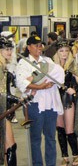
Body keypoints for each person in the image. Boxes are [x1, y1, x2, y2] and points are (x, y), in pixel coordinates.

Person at [16, 35, 65, 166]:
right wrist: (40, 86)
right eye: (36, 45)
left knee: (51, 138)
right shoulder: (23, 63)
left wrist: (37, 79)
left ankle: (51, 164)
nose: (39, 48)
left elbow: (60, 75)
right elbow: (22, 83)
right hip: (34, 104)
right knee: (35, 139)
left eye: (40, 45)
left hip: (51, 104)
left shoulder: (47, 61)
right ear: (29, 47)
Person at [53, 41, 78, 166]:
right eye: (61, 51)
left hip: (67, 100)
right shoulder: (53, 66)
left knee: (69, 130)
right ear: (57, 53)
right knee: (60, 129)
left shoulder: (72, 65)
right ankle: (64, 156)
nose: (64, 53)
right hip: (55, 99)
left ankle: (75, 155)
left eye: (66, 50)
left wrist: (73, 89)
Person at [0, 37, 18, 166]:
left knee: (8, 146)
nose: (9, 52)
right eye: (6, 49)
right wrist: (16, 99)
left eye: (11, 49)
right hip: (1, 109)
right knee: (10, 146)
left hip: (3, 108)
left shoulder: (3, 66)